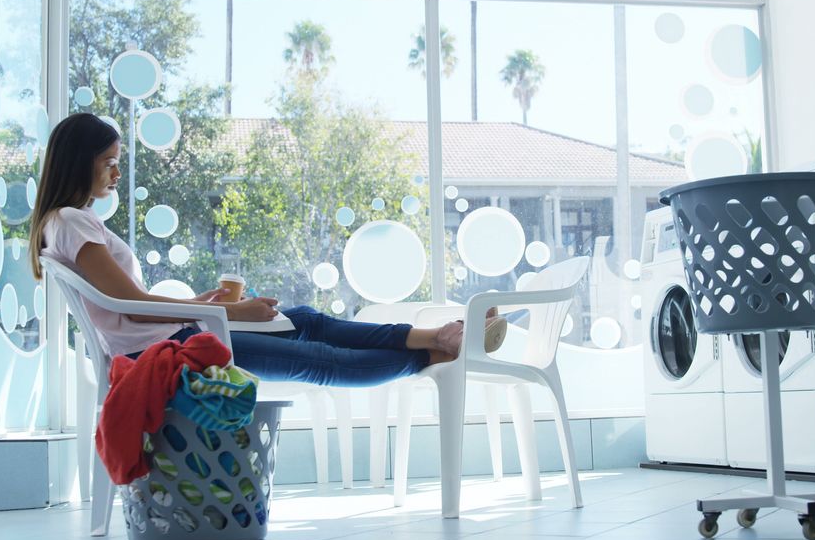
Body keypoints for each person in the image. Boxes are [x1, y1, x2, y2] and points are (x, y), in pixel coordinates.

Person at [29, 113, 506, 387]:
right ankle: (435, 354)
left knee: (309, 320)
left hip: (170, 336)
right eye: (109, 163)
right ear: (79, 163)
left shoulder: (68, 223)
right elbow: (130, 305)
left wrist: (202, 305)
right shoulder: (71, 222)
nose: (115, 173)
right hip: (164, 351)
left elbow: (125, 302)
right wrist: (228, 316)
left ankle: (441, 335)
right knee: (315, 356)